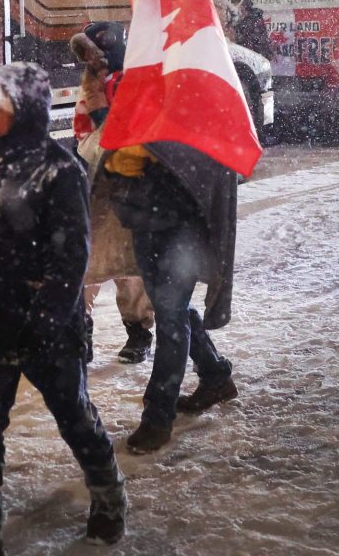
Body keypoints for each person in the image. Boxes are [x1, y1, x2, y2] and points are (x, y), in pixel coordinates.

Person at [0, 62, 126, 555]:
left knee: (73, 415)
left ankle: (108, 497)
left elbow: (71, 257)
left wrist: (45, 320)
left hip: (44, 328)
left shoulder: (61, 168)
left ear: (23, 109)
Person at [101, 141, 241, 454]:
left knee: (171, 317)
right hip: (145, 224)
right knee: (173, 310)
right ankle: (215, 376)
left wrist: (139, 155)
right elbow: (114, 158)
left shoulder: (186, 120)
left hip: (178, 231)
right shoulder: (147, 112)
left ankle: (158, 417)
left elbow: (192, 174)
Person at [70, 22, 155, 365]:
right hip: (93, 180)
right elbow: (85, 131)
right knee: (85, 262)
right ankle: (81, 332)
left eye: (94, 54)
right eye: (85, 56)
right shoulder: (91, 84)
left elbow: (131, 127)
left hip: (128, 180)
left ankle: (138, 330)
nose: (90, 62)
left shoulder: (132, 79)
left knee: (128, 261)